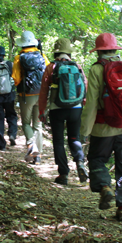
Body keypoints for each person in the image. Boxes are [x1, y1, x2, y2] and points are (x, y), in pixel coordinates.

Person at [80, 33, 122, 222]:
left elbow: (92, 103)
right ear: (115, 49)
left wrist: (84, 132)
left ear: (99, 51)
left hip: (103, 127)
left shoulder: (96, 69)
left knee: (96, 159)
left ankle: (104, 187)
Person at [38, 38, 88, 184]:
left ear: (56, 52)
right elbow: (84, 87)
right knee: (74, 138)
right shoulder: (77, 66)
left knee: (58, 141)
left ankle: (64, 174)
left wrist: (42, 111)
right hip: (76, 108)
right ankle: (80, 163)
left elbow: (43, 92)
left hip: (57, 109)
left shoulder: (51, 67)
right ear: (68, 53)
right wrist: (83, 104)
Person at [12, 31, 50, 164]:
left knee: (26, 123)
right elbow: (48, 73)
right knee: (38, 125)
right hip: (41, 95)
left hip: (26, 96)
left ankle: (31, 145)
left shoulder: (18, 58)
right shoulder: (42, 56)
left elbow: (16, 78)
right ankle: (37, 156)